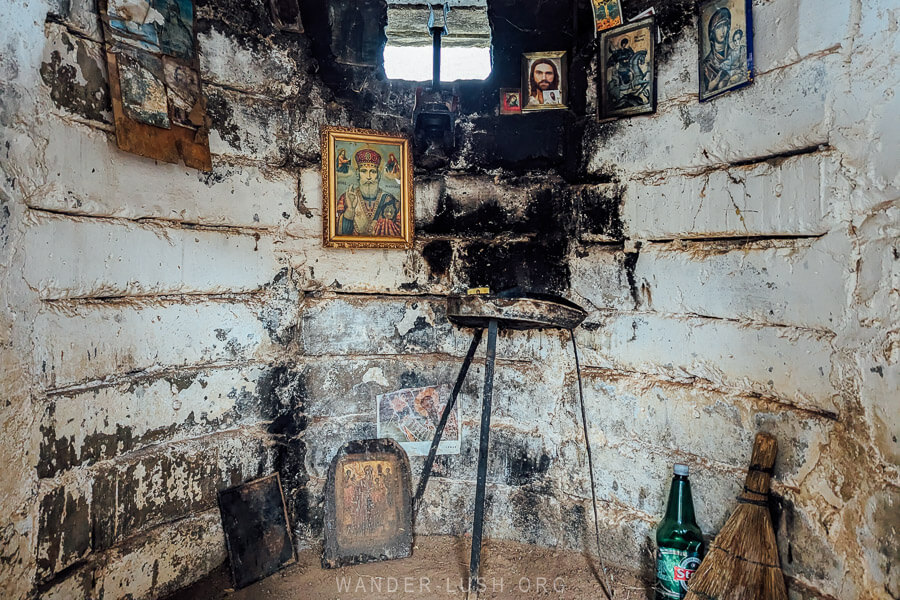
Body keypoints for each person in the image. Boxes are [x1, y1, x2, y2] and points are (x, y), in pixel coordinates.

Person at [335, 148, 401, 237]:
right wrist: (350, 211)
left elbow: (400, 231)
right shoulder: (346, 198)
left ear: (378, 175)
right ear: (358, 174)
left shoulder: (390, 200)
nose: (368, 177)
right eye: (364, 171)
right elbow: (339, 234)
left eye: (373, 172)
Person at [701, 7, 734, 94]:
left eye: (725, 25)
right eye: (719, 27)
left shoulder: (734, 55)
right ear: (712, 32)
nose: (723, 31)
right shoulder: (707, 64)